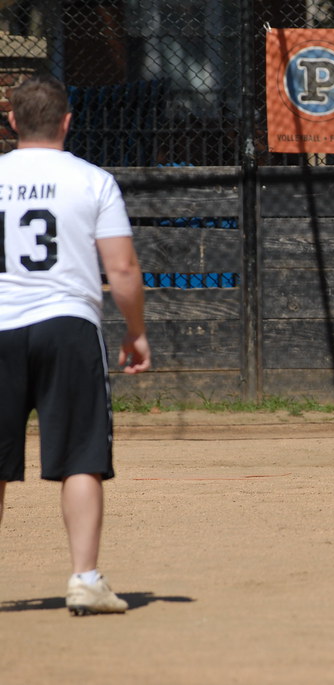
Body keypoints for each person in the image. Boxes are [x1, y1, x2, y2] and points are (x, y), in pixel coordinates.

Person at [0, 74, 150, 615]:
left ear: (11, 121)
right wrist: (135, 331)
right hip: (68, 327)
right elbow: (122, 268)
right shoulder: (93, 180)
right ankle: (85, 579)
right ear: (67, 122)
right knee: (81, 456)